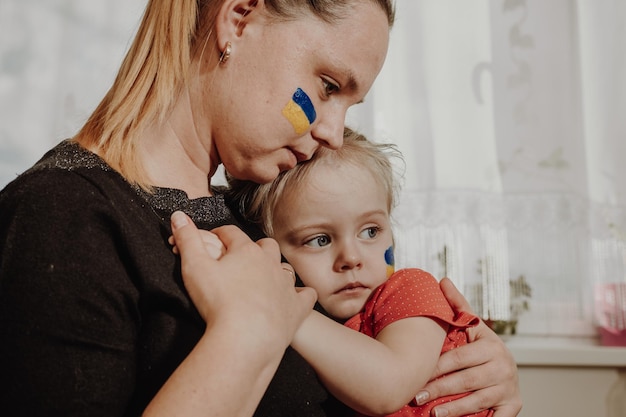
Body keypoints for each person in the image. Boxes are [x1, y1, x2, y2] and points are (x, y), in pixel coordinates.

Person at [0, 1, 521, 416]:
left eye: (349, 106)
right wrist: (247, 328)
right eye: (328, 86)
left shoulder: (265, 221)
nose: (333, 135)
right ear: (239, 18)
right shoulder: (58, 218)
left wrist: (467, 372)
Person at [193, 127, 494, 416]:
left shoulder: (411, 290)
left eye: (371, 231)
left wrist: (279, 307)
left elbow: (388, 386)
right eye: (320, 240)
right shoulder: (330, 321)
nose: (351, 258)